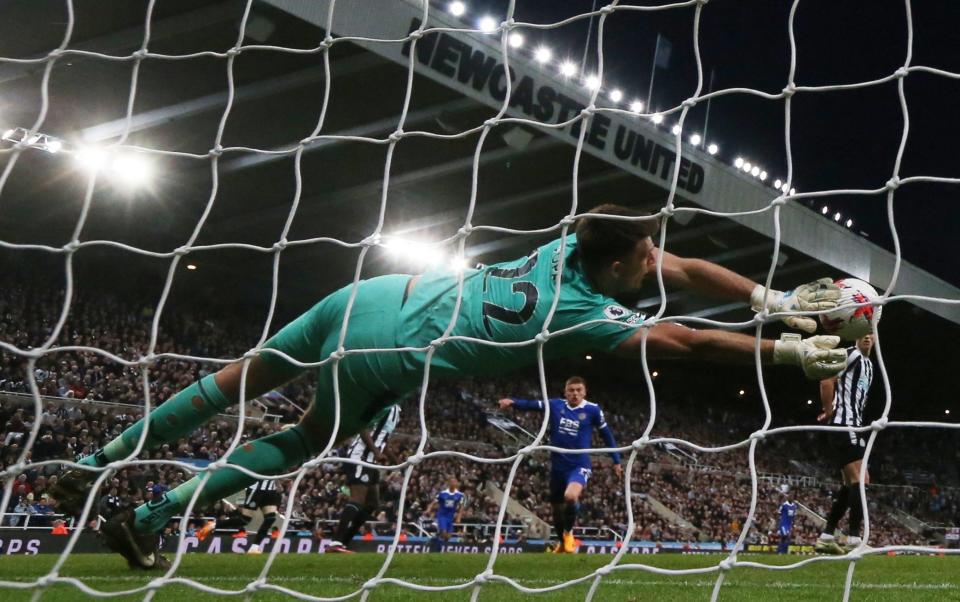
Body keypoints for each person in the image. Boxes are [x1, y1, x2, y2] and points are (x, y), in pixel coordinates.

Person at [51, 203, 847, 569]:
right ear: (616, 267)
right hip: (394, 347)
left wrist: (767, 298)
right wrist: (783, 352)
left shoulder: (576, 243)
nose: (658, 266)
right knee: (308, 438)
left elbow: (679, 269)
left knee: (230, 382)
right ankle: (149, 516)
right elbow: (685, 340)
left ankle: (87, 472)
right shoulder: (582, 313)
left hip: (369, 294)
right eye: (647, 260)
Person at [498, 376, 621, 553]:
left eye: (579, 390)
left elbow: (607, 436)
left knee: (570, 496)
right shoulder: (556, 405)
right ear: (565, 392)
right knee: (556, 509)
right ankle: (562, 543)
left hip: (579, 464)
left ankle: (569, 533)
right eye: (571, 390)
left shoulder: (593, 410)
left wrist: (616, 461)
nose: (575, 393)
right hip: (557, 466)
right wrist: (512, 402)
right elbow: (532, 405)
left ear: (584, 392)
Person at [815, 333, 875, 554]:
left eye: (871, 334)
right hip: (843, 424)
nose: (867, 337)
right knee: (861, 479)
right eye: (863, 333)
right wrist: (829, 411)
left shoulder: (869, 365)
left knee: (854, 482)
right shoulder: (850, 355)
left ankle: (827, 536)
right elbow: (826, 380)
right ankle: (854, 539)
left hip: (854, 426)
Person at [327, 405, 402, 553]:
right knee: (357, 500)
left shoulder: (397, 411)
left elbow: (383, 440)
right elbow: (363, 428)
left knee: (372, 504)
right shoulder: (384, 407)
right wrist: (375, 451)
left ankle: (344, 541)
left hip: (372, 461)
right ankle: (336, 542)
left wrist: (397, 462)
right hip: (360, 457)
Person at [196, 477, 282, 554]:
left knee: (270, 518)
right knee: (245, 519)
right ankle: (213, 525)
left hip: (271, 490)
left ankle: (254, 548)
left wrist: (278, 483)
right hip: (256, 489)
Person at [425, 477, 465, 552]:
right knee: (443, 533)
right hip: (442, 515)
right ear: (449, 483)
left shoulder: (459, 495)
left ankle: (434, 540)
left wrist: (459, 517)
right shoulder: (443, 493)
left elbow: (461, 507)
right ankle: (437, 548)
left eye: (455, 482)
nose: (454, 483)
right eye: (452, 482)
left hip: (450, 517)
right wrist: (428, 509)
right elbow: (434, 502)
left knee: (447, 537)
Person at [777, 486, 798, 554]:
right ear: (788, 497)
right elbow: (778, 513)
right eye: (790, 496)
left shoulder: (794, 506)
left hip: (789, 525)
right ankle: (783, 551)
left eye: (792, 496)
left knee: (784, 538)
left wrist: (794, 524)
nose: (791, 497)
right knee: (787, 536)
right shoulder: (784, 505)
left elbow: (794, 516)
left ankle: (780, 551)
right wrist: (779, 522)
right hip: (783, 524)